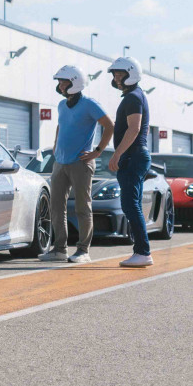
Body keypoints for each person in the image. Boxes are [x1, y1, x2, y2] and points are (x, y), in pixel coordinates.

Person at [39, 65, 114, 264]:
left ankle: (83, 251)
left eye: (63, 81)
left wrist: (97, 151)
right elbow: (60, 125)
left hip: (81, 163)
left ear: (75, 82)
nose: (60, 85)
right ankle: (59, 249)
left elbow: (109, 125)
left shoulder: (90, 104)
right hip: (60, 163)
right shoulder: (61, 105)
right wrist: (56, 145)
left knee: (82, 208)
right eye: (59, 82)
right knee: (56, 207)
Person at [107, 56, 154, 267]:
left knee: (129, 204)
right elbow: (139, 128)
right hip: (135, 156)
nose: (116, 78)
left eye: (120, 74)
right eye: (115, 74)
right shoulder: (135, 96)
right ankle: (141, 251)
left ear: (131, 74)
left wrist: (117, 154)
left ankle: (143, 252)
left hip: (132, 156)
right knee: (132, 204)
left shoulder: (133, 97)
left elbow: (134, 128)